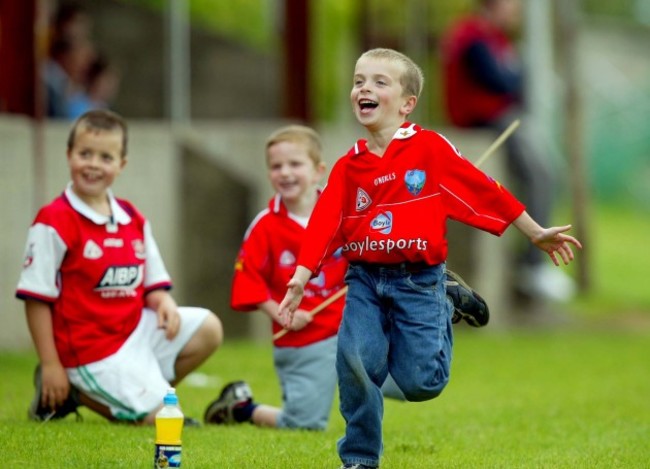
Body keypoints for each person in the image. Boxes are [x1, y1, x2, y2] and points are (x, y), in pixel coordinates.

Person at [277, 48, 581, 468]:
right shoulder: (349, 165)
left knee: (422, 383)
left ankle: (447, 298)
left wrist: (534, 231)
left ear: (407, 104)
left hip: (419, 281)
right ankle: (360, 459)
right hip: (364, 280)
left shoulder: (430, 149)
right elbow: (324, 226)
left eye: (380, 82)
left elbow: (484, 190)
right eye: (359, 80)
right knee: (355, 361)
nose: (364, 88)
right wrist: (301, 276)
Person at [203, 125, 489, 431]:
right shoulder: (265, 226)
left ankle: (440, 297)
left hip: (356, 326)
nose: (285, 173)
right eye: (276, 166)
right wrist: (282, 314)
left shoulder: (348, 206)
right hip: (305, 339)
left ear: (318, 171)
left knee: (412, 380)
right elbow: (249, 283)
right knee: (304, 423)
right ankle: (242, 408)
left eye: (295, 164)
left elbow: (382, 237)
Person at [16, 110, 223, 425]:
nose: (94, 164)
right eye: (85, 153)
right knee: (166, 420)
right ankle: (75, 389)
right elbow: (36, 299)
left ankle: (140, 394)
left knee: (209, 328)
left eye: (106, 157)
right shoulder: (53, 220)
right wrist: (50, 364)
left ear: (121, 164)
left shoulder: (132, 217)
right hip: (90, 351)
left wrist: (164, 301)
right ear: (69, 155)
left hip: (134, 331)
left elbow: (153, 285)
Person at [440, 0, 576, 302]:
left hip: (499, 120)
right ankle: (533, 266)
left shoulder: (494, 38)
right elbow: (500, 81)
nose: (516, 11)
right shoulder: (472, 36)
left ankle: (527, 262)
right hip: (484, 125)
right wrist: (520, 74)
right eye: (511, 4)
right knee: (540, 174)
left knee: (542, 173)